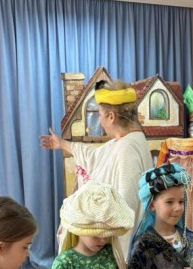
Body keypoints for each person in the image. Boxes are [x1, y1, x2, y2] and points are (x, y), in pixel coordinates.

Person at [40, 79, 153, 259]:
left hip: (120, 242)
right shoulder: (127, 140)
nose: (99, 120)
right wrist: (61, 144)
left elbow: (126, 203)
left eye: (100, 114)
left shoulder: (127, 147)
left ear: (111, 117)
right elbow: (93, 156)